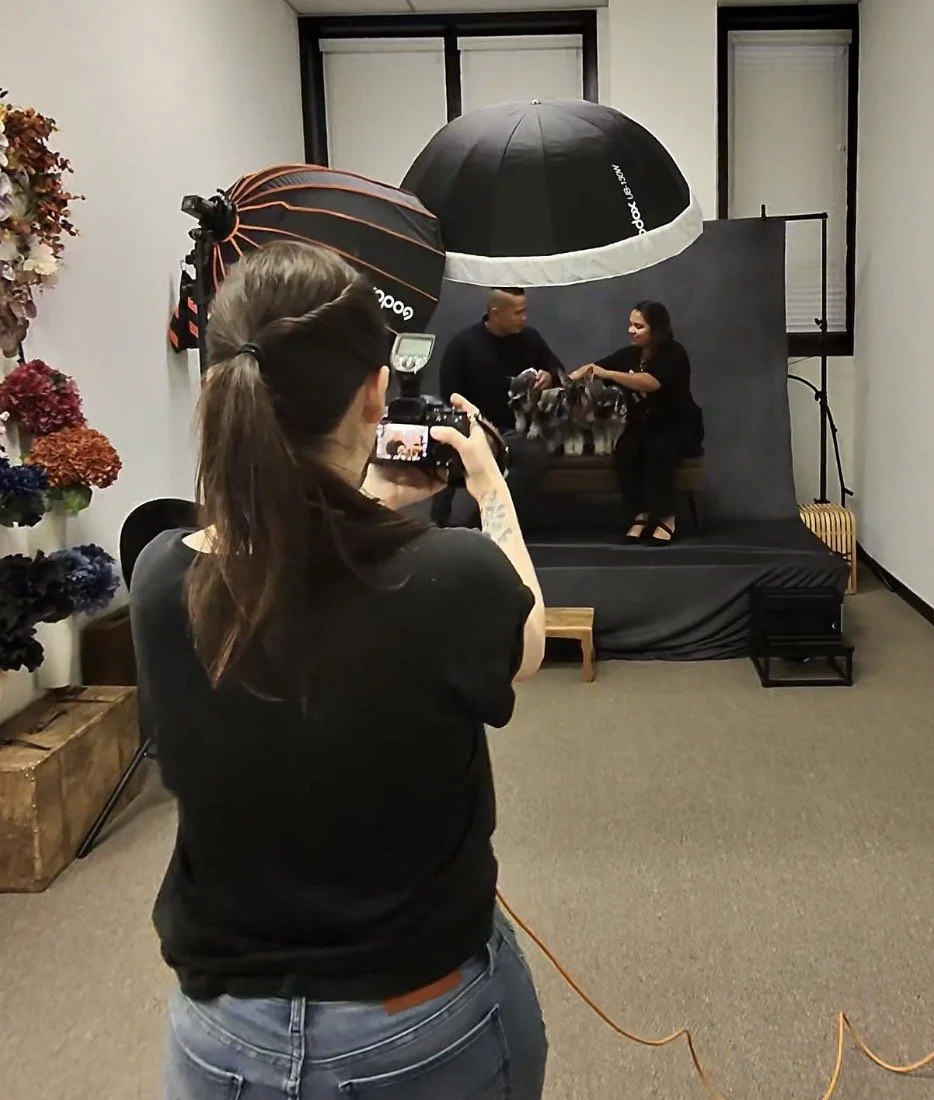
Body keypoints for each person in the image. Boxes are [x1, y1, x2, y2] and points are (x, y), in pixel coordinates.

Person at [129, 241, 549, 1100]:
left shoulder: (164, 575)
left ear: (221, 389)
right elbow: (529, 639)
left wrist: (374, 510)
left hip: (219, 1038)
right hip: (422, 1026)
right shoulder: (452, 575)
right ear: (374, 391)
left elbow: (290, 567)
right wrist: (487, 484)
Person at [571, 301, 704, 544]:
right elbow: (595, 367)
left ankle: (666, 517)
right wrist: (575, 378)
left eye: (638, 326)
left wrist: (609, 374)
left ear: (657, 329)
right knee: (626, 450)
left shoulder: (674, 353)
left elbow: (650, 383)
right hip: (642, 425)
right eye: (630, 324)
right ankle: (640, 514)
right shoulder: (629, 355)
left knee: (659, 450)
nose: (631, 330)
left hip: (677, 426)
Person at [433, 287, 562, 528]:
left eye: (524, 311)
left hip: (517, 430)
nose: (524, 317)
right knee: (447, 452)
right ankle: (437, 522)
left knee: (535, 455)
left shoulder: (530, 338)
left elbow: (557, 369)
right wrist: (478, 425)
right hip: (475, 427)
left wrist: (549, 376)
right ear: (495, 312)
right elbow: (450, 394)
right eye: (517, 312)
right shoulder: (463, 345)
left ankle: (484, 521)